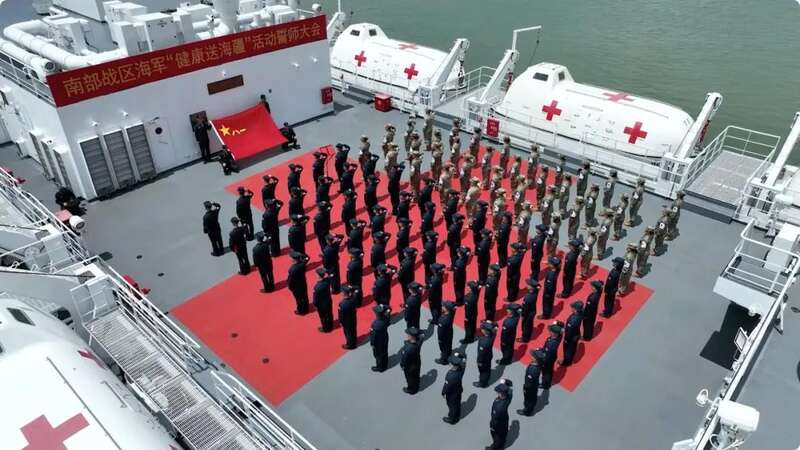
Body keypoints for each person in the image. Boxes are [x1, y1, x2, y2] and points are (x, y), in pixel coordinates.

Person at [518, 349, 546, 416]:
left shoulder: (533, 369)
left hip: (530, 388)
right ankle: (530, 407)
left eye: (533, 356)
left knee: (528, 399)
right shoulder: (538, 364)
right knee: (532, 397)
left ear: (536, 359)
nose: (531, 356)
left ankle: (527, 411)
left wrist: (525, 388)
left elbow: (528, 382)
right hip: (534, 385)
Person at [442, 352, 466, 424]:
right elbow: (464, 361)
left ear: (453, 365)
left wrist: (443, 393)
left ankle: (453, 419)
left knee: (452, 406)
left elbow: (446, 387)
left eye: (450, 363)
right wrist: (460, 356)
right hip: (458, 390)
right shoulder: (461, 369)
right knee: (457, 404)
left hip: (451, 394)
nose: (449, 364)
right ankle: (457, 415)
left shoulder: (450, 375)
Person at [488, 380, 513, 450]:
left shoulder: (499, 407)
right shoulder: (508, 398)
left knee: (497, 438)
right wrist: (505, 384)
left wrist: (492, 426)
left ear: (501, 394)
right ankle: (501, 445)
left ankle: (495, 448)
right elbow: (510, 392)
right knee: (503, 435)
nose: (497, 393)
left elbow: (495, 419)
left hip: (498, 425)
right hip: (504, 420)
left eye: (498, 392)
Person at [400, 327, 423, 394]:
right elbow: (421, 337)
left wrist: (402, 365)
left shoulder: (408, 349)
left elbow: (404, 359)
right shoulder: (419, 341)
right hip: (417, 361)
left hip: (410, 366)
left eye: (408, 335)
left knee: (410, 378)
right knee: (416, 375)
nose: (407, 335)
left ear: (411, 337)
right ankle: (416, 385)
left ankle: (411, 390)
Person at [474, 320, 497, 388]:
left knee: (483, 371)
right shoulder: (492, 334)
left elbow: (481, 354)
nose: (481, 329)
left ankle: (483, 383)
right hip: (489, 355)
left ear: (485, 331)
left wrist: (479, 362)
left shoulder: (483, 342)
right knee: (487, 368)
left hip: (483, 359)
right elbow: (496, 327)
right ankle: (486, 378)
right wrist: (492, 324)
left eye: (482, 328)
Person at [561, 301, 584, 366]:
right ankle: (569, 359)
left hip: (571, 337)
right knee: (572, 348)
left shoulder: (573, 320)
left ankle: (566, 362)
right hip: (576, 334)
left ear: (576, 309)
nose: (571, 308)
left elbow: (569, 331)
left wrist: (566, 339)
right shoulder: (580, 313)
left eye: (573, 307)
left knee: (568, 350)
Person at [541, 323, 563, 389]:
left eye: (551, 330)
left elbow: (547, 355)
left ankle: (545, 385)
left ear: (554, 333)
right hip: (552, 357)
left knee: (546, 372)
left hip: (548, 360)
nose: (549, 331)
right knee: (549, 371)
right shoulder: (558, 337)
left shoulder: (552, 344)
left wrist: (542, 361)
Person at [370, 304, 391, 372]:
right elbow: (389, 308)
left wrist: (372, 344)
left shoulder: (375, 324)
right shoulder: (386, 317)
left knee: (378, 355)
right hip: (385, 337)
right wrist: (383, 307)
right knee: (384, 351)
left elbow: (373, 336)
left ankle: (380, 367)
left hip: (378, 342)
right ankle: (385, 364)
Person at [312, 268, 334, 333]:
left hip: (321, 305)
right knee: (329, 313)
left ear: (318, 275)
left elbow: (315, 298)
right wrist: (326, 271)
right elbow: (332, 274)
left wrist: (315, 305)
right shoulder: (328, 280)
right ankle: (330, 325)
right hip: (328, 301)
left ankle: (326, 328)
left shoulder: (317, 287)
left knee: (323, 317)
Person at [338, 284, 359, 349]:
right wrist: (351, 287)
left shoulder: (342, 304)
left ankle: (350, 345)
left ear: (344, 293)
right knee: (353, 330)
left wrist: (341, 322)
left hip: (346, 321)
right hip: (353, 318)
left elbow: (341, 315)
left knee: (348, 333)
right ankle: (354, 341)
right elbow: (357, 288)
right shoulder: (354, 298)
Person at [519, 277, 539, 342]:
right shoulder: (535, 292)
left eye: (528, 285)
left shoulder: (528, 297)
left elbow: (525, 308)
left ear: (532, 287)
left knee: (526, 325)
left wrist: (522, 315)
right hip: (532, 311)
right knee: (529, 324)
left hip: (528, 313)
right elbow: (538, 286)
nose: (527, 285)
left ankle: (525, 338)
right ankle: (528, 335)